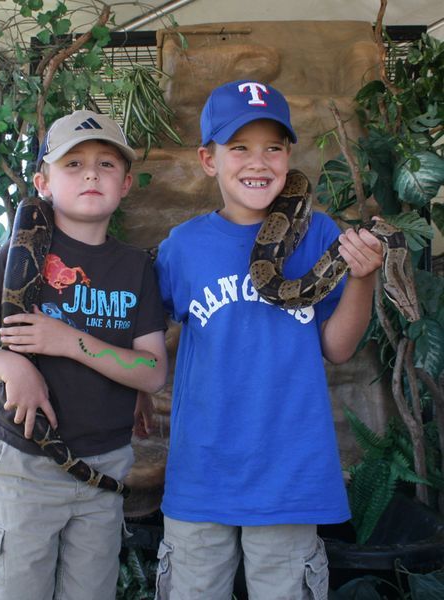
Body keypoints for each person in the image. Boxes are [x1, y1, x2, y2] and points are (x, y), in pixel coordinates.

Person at [153, 80, 384, 600]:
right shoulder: (183, 247)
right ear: (208, 159)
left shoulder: (323, 235)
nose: (258, 163)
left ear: (288, 158)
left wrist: (363, 277)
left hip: (291, 474)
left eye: (273, 148)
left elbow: (338, 348)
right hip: (202, 473)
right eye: (239, 147)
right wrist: (131, 395)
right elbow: (148, 332)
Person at [0, 109, 168, 600]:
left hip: (104, 468)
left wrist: (66, 341)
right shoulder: (17, 259)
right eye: (74, 163)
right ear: (43, 182)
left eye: (107, 163)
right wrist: (12, 364)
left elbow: (151, 372)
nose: (91, 172)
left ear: (126, 183)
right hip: (26, 468)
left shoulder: (137, 268)